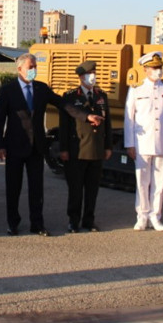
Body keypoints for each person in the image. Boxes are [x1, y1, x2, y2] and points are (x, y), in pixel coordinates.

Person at [0, 53, 103, 237]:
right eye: (30, 67)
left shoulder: (41, 88)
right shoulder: (8, 90)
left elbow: (64, 105)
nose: (34, 70)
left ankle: (37, 224)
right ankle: (13, 223)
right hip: (14, 146)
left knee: (37, 189)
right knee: (13, 188)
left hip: (37, 147)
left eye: (35, 66)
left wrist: (86, 116)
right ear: (19, 69)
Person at [123, 51, 163, 232]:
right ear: (146, 69)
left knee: (159, 184)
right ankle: (142, 216)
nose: (158, 71)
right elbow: (129, 119)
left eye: (160, 68)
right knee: (142, 182)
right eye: (155, 68)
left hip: (162, 141)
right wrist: (129, 144)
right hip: (142, 143)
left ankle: (155, 216)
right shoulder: (136, 89)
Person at [59, 61, 112, 233]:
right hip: (77, 149)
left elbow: (108, 124)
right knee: (75, 189)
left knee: (92, 189)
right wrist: (63, 149)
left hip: (96, 148)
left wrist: (108, 146)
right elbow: (64, 126)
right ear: (81, 77)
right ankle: (73, 221)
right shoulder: (70, 96)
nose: (93, 76)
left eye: (94, 72)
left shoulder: (101, 96)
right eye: (90, 73)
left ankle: (89, 220)